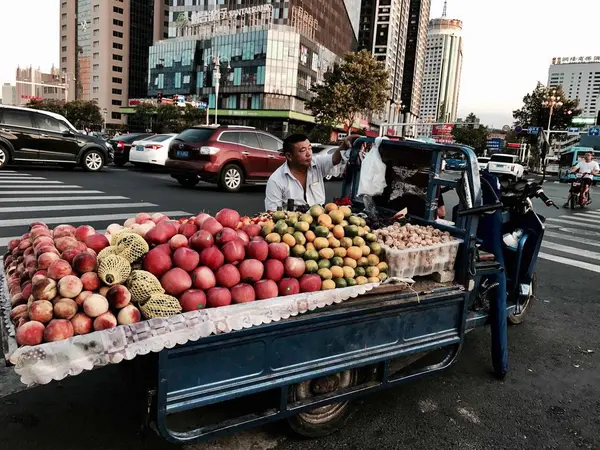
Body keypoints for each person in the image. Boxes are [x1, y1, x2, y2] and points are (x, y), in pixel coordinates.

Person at [265, 134, 359, 211]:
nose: (309, 153)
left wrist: (344, 145)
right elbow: (272, 213)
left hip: (320, 222)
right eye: (303, 150)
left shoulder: (317, 164)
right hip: (293, 227)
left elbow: (334, 159)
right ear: (289, 156)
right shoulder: (276, 180)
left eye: (309, 148)